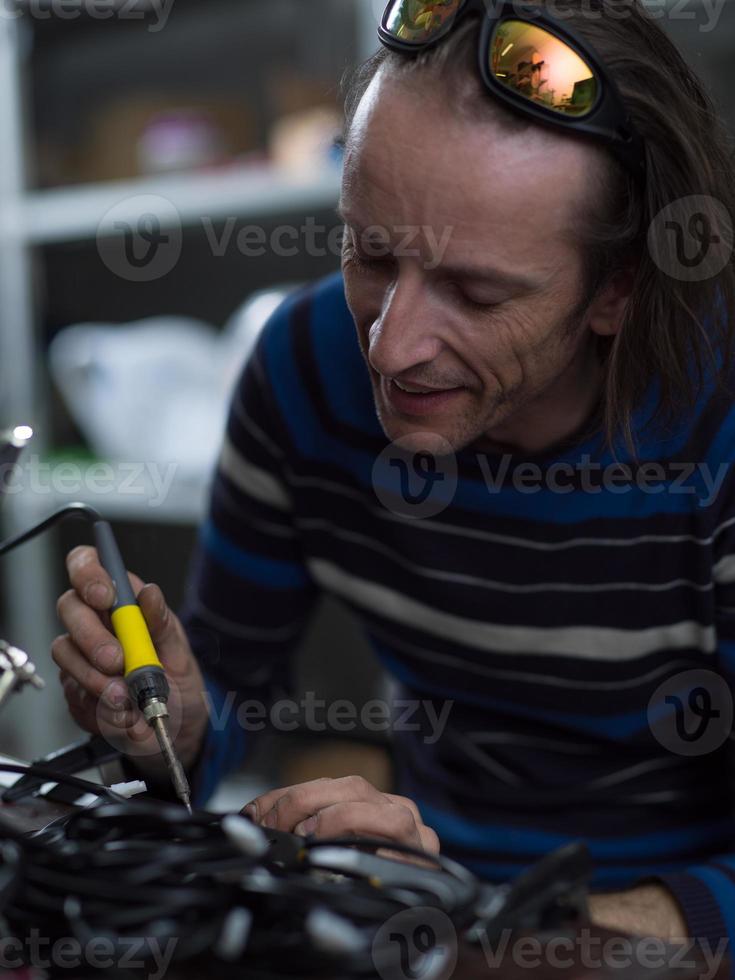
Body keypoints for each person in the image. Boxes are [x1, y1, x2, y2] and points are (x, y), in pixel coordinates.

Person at [52, 0, 735, 949]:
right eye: (369, 252)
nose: (390, 346)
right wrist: (176, 722)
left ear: (617, 289)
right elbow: (231, 683)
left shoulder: (718, 423)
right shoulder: (301, 370)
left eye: (477, 292)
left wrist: (533, 940)